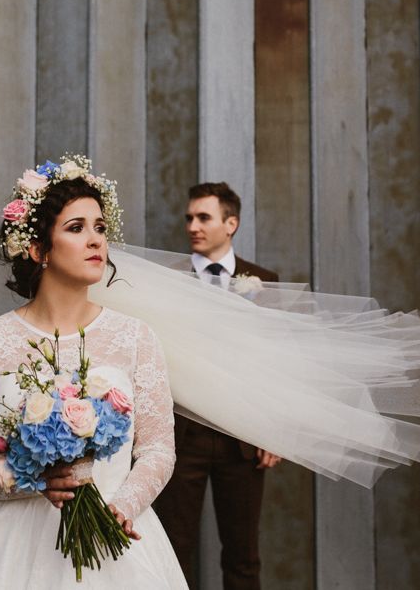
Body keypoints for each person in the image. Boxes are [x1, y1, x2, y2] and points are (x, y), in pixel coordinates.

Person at [0, 158, 188, 588]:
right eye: (76, 228)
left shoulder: (135, 338)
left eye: (100, 227)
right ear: (38, 249)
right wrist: (29, 477)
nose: (96, 240)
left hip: (119, 541)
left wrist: (122, 508)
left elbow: (157, 450)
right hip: (15, 549)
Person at [156, 182, 281, 590]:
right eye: (189, 217)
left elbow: (277, 362)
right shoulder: (167, 280)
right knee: (172, 550)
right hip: (181, 437)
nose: (193, 225)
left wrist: (272, 429)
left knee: (243, 555)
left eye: (203, 217)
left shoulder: (264, 281)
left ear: (231, 224)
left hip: (241, 440)